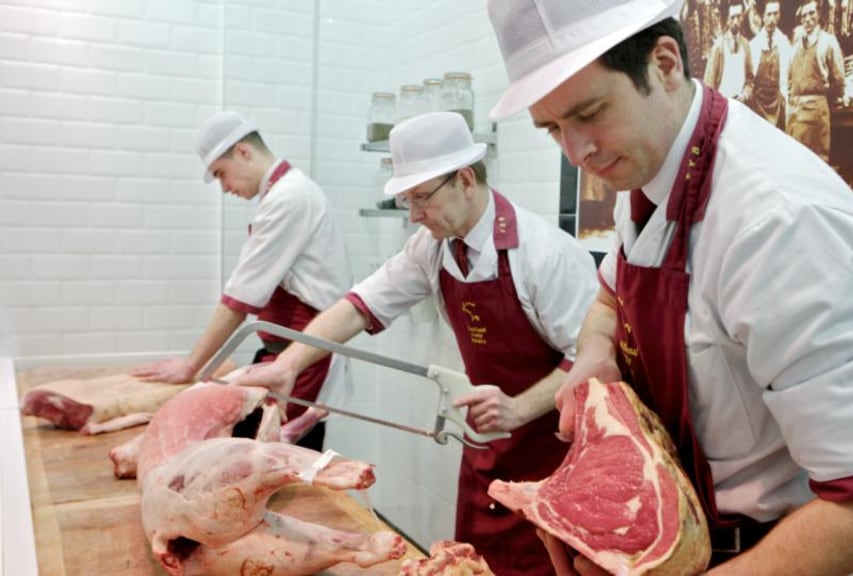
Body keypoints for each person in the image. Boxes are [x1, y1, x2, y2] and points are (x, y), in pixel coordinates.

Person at [486, 0, 853, 574]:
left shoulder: (777, 220)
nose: (578, 152)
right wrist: (594, 355)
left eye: (590, 113)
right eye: (552, 129)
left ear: (664, 64)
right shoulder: (649, 169)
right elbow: (611, 295)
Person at [231, 111, 599, 575]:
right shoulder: (433, 247)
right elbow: (359, 305)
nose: (415, 215)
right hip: (487, 453)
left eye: (422, 198)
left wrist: (520, 409)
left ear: (465, 179)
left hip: (554, 458)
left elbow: (588, 359)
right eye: (408, 200)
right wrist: (290, 362)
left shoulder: (545, 254)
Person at [130, 111, 352, 451]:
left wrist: (192, 366)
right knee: (253, 453)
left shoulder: (290, 197)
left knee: (278, 466)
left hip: (306, 359)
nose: (224, 188)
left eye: (221, 173)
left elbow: (240, 297)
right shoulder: (283, 194)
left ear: (244, 152)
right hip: (282, 349)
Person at [787, 0, 846, 162]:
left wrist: (825, 103)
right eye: (804, 15)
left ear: (819, 15)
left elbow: (839, 79)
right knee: (796, 163)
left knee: (816, 163)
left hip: (816, 114)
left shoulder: (828, 41)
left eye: (811, 13)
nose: (808, 19)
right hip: (796, 114)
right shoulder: (795, 45)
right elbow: (790, 79)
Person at [747, 0, 792, 129]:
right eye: (769, 14)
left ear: (780, 15)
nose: (772, 19)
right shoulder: (754, 45)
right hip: (758, 106)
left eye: (775, 14)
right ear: (763, 16)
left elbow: (787, 78)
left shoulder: (784, 43)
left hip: (777, 106)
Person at [702, 2, 754, 103]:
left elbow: (750, 79)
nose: (736, 21)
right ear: (726, 20)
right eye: (732, 17)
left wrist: (746, 94)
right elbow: (709, 83)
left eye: (739, 16)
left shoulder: (745, 45)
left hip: (740, 104)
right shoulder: (719, 47)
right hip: (722, 103)